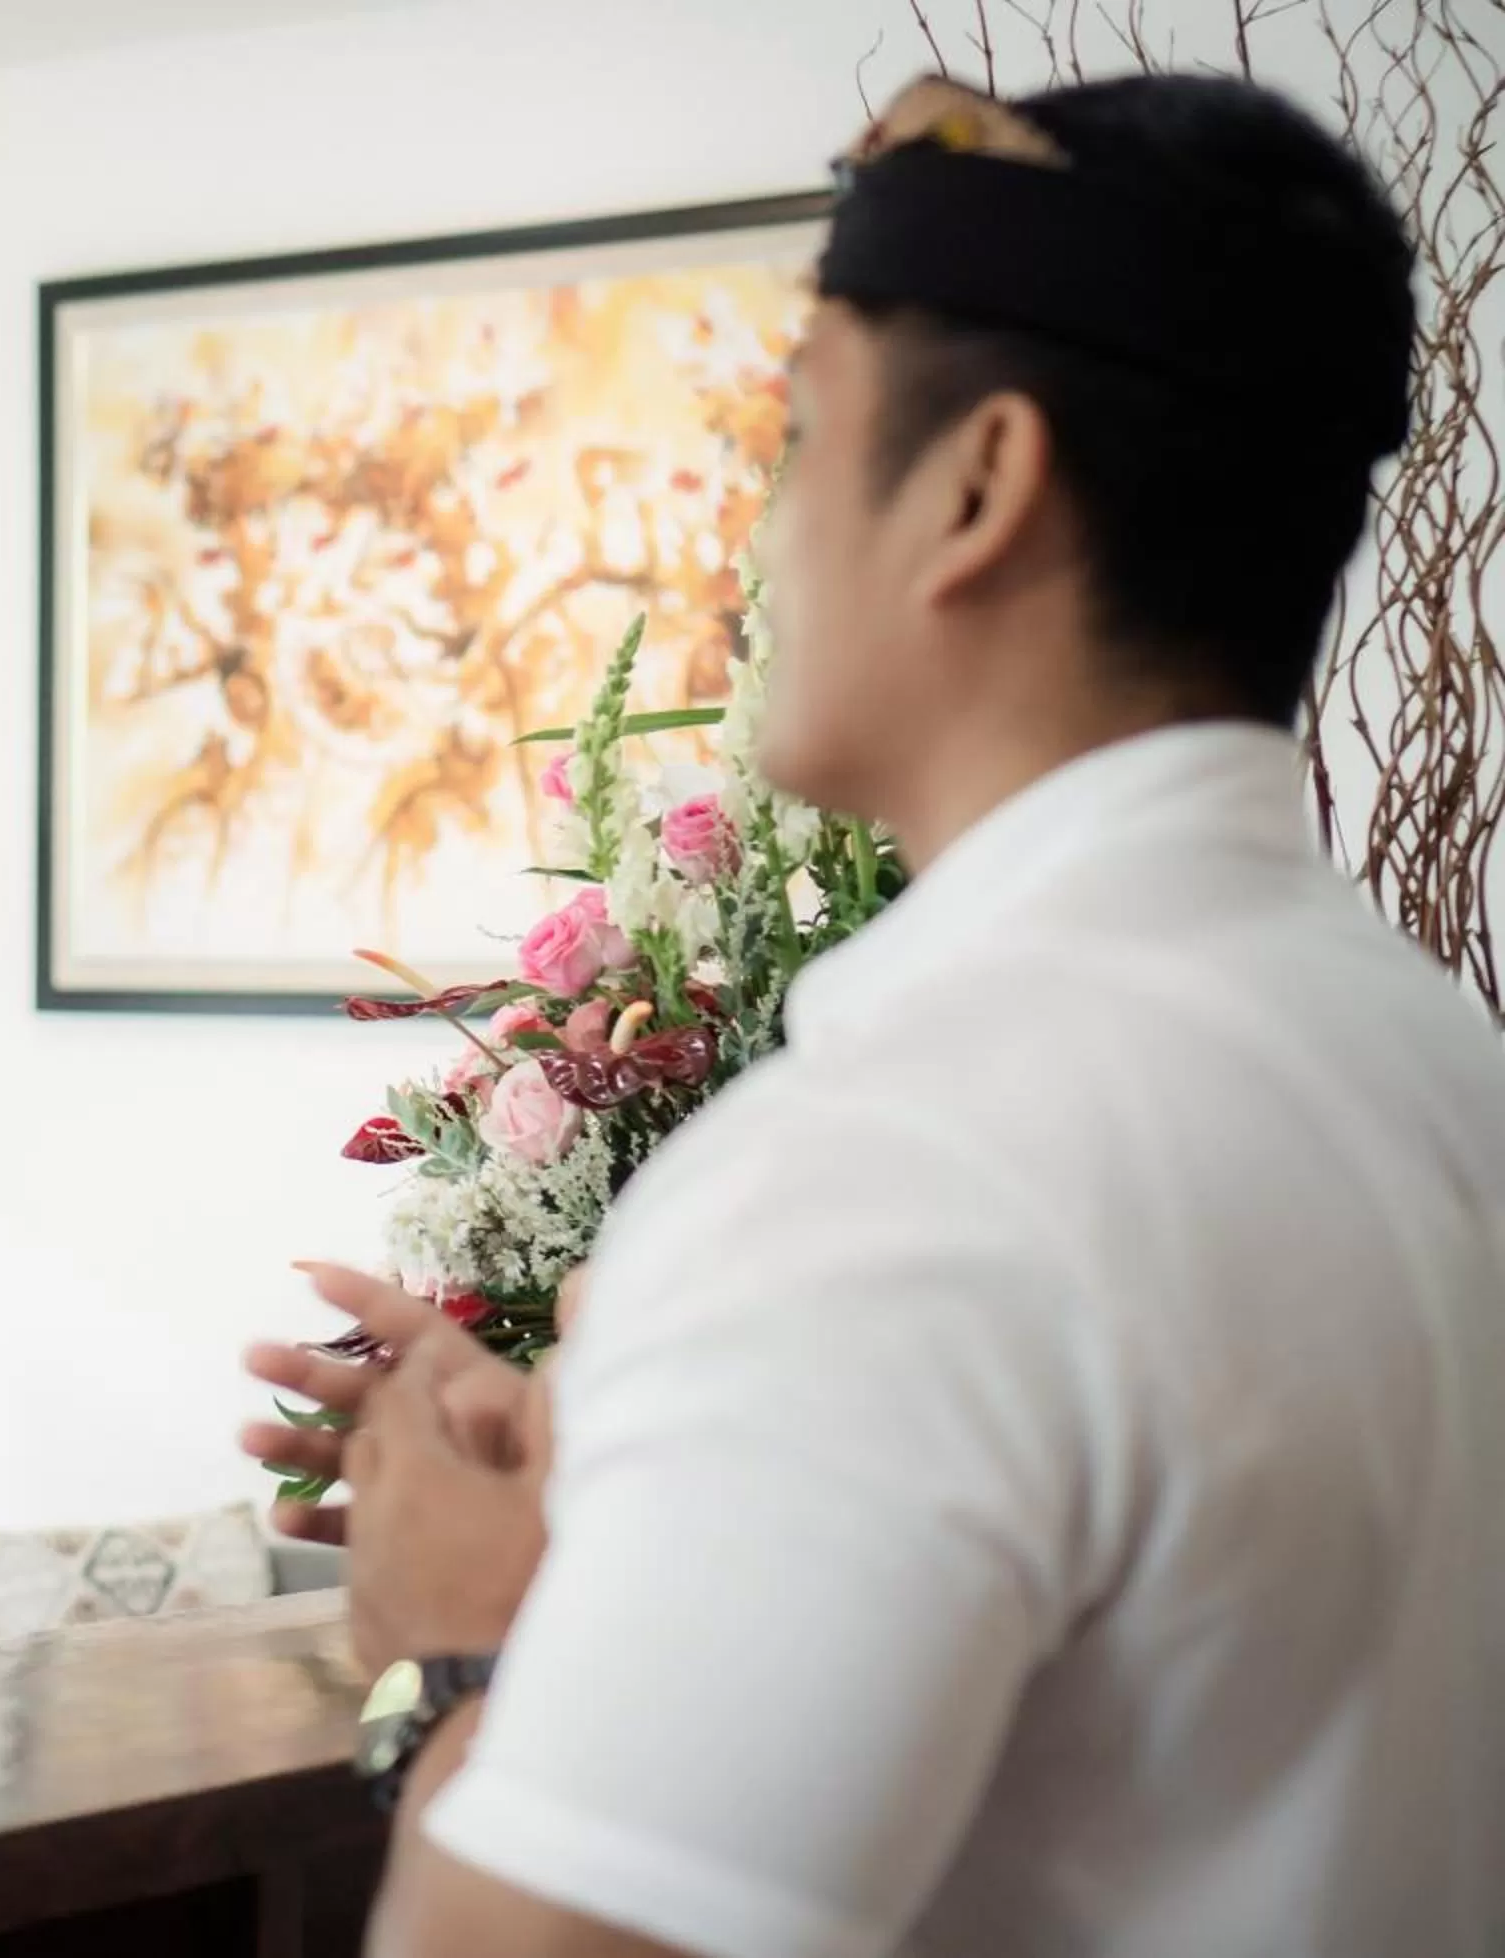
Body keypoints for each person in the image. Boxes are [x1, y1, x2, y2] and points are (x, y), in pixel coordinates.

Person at [242, 72, 1503, 1958]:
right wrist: (667, 1486)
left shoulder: (892, 1170)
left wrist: (466, 1649)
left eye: (798, 438)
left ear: (977, 485)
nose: (754, 540)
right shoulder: (1437, 1068)